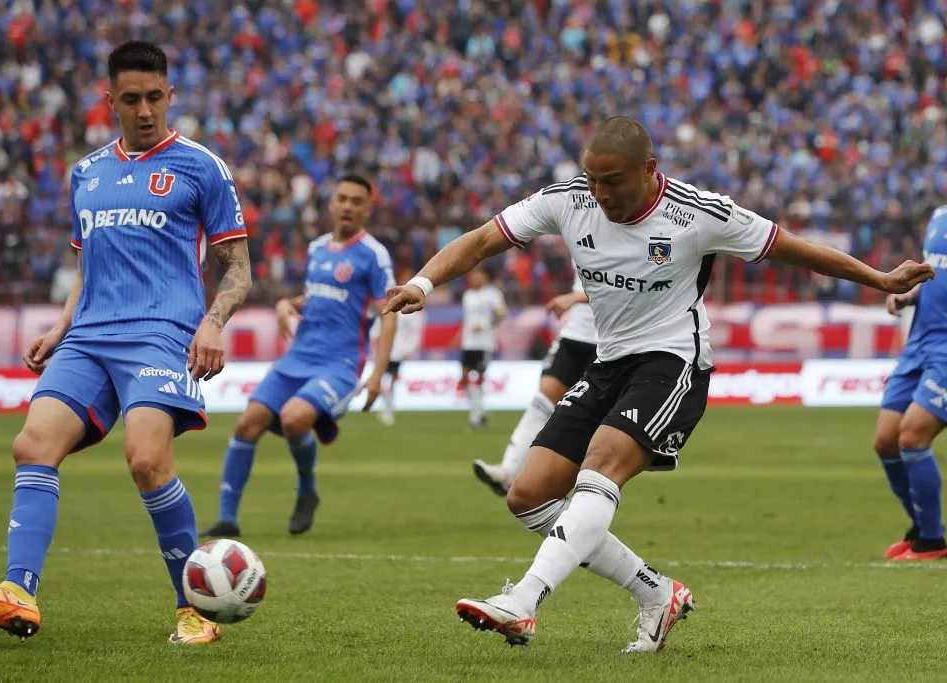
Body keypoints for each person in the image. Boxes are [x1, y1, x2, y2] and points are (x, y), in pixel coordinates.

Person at [384, 116, 932, 653]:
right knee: (527, 495)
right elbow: (481, 242)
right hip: (608, 363)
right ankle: (658, 593)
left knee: (601, 464)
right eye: (592, 178)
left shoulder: (698, 213)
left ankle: (524, 600)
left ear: (650, 169)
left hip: (674, 362)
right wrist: (422, 282)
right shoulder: (567, 199)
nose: (598, 192)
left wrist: (877, 278)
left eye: (612, 180)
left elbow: (790, 247)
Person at [0, 41, 252, 645]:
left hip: (162, 334)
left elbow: (239, 267)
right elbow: (88, 268)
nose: (144, 110)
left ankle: (194, 611)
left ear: (170, 96)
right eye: (130, 99)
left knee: (146, 460)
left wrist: (214, 321)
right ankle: (17, 592)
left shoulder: (200, 166)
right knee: (31, 446)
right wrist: (60, 327)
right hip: (87, 338)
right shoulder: (87, 173)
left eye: (154, 97)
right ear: (109, 101)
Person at [200, 174, 396, 538]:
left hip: (338, 364)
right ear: (331, 203)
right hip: (297, 358)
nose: (348, 206)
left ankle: (306, 492)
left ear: (368, 209)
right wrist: (285, 303)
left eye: (357, 201)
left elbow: (389, 313)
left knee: (293, 419)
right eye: (343, 199)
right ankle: (228, 518)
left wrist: (377, 373)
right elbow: (317, 296)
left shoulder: (374, 254)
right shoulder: (318, 248)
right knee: (247, 423)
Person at [473, 269, 597, 495]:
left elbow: (633, 287)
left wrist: (576, 297)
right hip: (574, 335)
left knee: (592, 417)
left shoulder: (631, 236)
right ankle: (507, 471)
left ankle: (583, 488)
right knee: (544, 397)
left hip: (610, 340)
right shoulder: (580, 233)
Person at [874, 204, 947, 561]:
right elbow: (937, 279)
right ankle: (921, 525)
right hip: (918, 344)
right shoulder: (937, 217)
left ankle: (933, 541)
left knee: (912, 436)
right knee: (886, 441)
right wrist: (908, 294)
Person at [459, 266, 506, 428]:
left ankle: (476, 416)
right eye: (473, 274)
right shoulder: (468, 295)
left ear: (486, 277)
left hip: (485, 343)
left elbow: (501, 314)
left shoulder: (493, 294)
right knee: (464, 378)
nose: (474, 277)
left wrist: (486, 325)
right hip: (468, 342)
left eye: (478, 274)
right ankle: (479, 410)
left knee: (478, 378)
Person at [373, 290, 426, 426]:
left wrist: (408, 349)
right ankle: (386, 409)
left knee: (391, 380)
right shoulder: (389, 309)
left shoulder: (412, 313)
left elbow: (415, 333)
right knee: (384, 379)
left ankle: (388, 410)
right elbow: (378, 329)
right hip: (385, 350)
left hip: (397, 352)